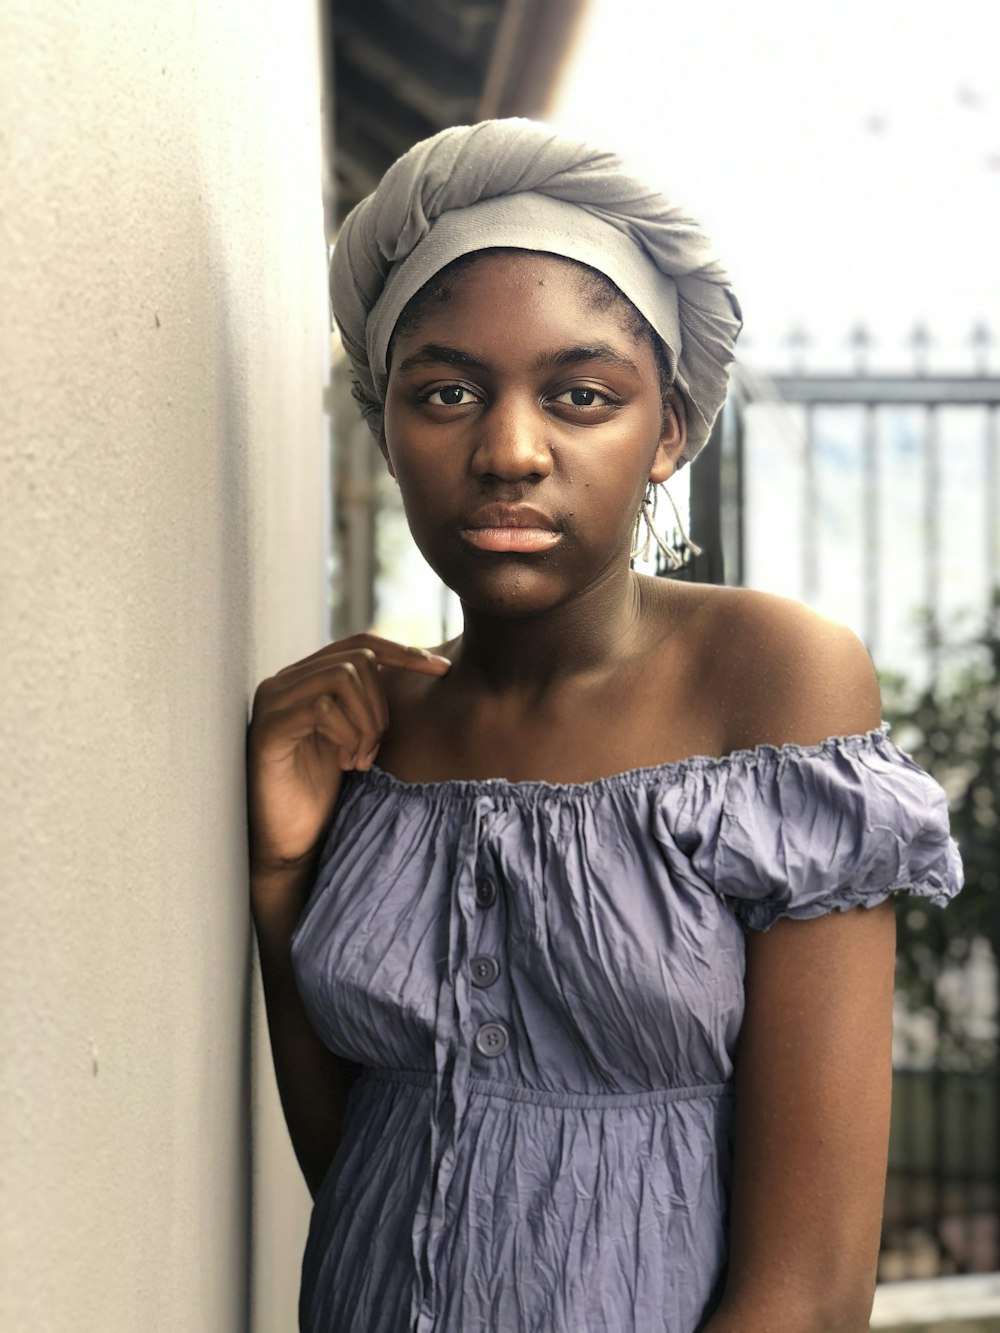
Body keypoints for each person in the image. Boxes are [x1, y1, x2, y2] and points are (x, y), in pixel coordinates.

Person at [246, 119, 963, 1333]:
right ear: (387, 425)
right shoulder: (367, 731)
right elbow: (365, 1170)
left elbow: (812, 1285)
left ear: (667, 432)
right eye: (447, 391)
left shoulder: (774, 683)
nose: (509, 450)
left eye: (580, 395)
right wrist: (280, 877)